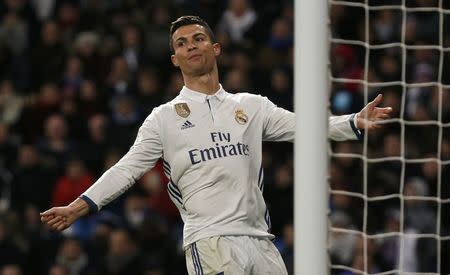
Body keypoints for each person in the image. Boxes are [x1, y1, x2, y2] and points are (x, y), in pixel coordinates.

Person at [41, 15, 392, 274]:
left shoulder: (252, 106)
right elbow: (127, 169)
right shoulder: (163, 118)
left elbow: (305, 126)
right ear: (175, 60)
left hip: (261, 242)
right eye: (182, 43)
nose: (191, 45)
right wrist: (78, 206)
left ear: (215, 48)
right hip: (211, 242)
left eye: (198, 38)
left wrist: (352, 122)